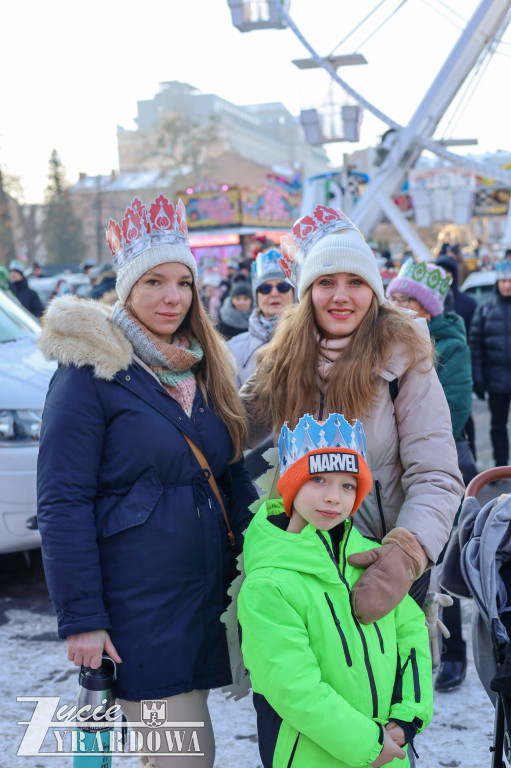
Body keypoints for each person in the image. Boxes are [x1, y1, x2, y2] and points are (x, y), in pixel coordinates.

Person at [37, 194, 258, 768]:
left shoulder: (201, 364)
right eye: (154, 282)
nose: (172, 297)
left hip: (206, 597)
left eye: (183, 283)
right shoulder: (90, 371)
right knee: (187, 759)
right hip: (139, 611)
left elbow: (228, 474)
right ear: (127, 287)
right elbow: (63, 501)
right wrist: (82, 618)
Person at [241, 205, 464, 624]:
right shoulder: (281, 359)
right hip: (298, 566)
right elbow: (229, 430)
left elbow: (436, 474)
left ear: (374, 292)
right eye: (326, 281)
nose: (340, 296)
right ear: (309, 292)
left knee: (380, 688)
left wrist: (405, 554)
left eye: (356, 282)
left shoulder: (404, 359)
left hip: (378, 562)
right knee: (291, 685)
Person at [238, 413, 433, 768]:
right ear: (291, 484)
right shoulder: (269, 584)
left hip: (389, 751)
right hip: (312, 756)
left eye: (347, 486)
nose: (333, 498)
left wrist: (407, 717)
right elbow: (293, 687)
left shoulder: (367, 559)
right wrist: (369, 744)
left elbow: (411, 630)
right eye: (318, 479)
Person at [387, 260, 474, 693]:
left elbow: (453, 408)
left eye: (409, 300)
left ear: (428, 308)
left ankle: (454, 652)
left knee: (438, 556)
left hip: (441, 460)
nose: (399, 305)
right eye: (396, 297)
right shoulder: (383, 336)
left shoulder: (450, 343)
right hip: (393, 467)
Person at [226, 248, 295, 388]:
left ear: (295, 293)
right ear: (256, 297)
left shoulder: (317, 340)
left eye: (283, 287)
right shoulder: (232, 349)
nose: (274, 294)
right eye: (265, 288)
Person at [470, 260, 511, 469]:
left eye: (510, 281)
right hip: (496, 381)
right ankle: (502, 467)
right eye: (503, 280)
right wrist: (478, 378)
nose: (507, 285)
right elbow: (475, 348)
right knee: (498, 426)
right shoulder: (485, 309)